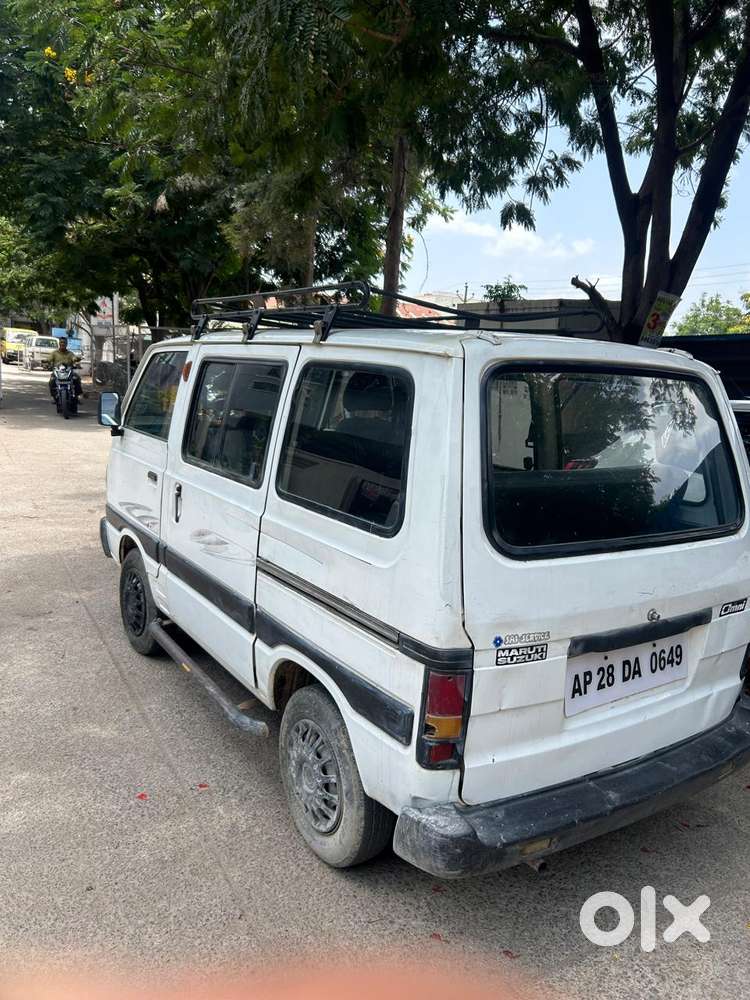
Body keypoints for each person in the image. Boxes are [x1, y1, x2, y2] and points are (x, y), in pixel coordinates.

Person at [48, 336, 82, 402]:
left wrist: (76, 359)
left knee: (77, 378)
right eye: (61, 342)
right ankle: (55, 396)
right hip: (57, 372)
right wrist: (46, 361)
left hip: (68, 372)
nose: (62, 344)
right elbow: (49, 359)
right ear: (59, 343)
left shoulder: (70, 353)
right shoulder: (54, 353)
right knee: (51, 381)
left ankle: (77, 397)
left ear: (66, 344)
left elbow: (74, 358)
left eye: (64, 342)